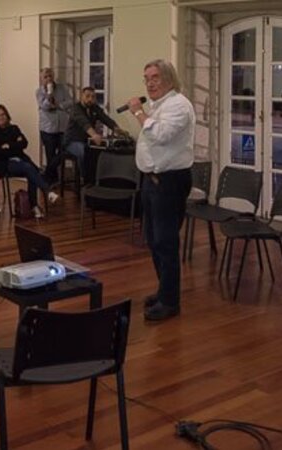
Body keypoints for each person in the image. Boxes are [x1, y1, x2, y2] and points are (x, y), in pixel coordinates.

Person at [123, 59, 195, 321]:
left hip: (169, 182)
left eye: (154, 77)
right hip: (151, 180)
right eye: (146, 78)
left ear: (169, 79)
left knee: (166, 241)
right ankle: (164, 290)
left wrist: (138, 113)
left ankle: (170, 301)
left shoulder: (178, 105)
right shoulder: (158, 105)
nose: (149, 83)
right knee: (153, 240)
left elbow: (161, 135)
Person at [0, 105, 58, 219]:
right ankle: (47, 192)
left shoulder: (14, 128)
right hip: (5, 163)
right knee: (29, 168)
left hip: (21, 160)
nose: (1, 117)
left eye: (3, 114)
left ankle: (34, 206)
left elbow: (24, 143)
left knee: (32, 171)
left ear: (7, 116)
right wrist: (15, 146)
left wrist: (8, 145)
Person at [46, 87, 127, 182]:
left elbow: (106, 120)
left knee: (98, 151)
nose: (90, 99)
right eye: (87, 96)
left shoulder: (95, 108)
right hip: (72, 141)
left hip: (86, 141)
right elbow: (84, 123)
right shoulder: (76, 108)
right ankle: (84, 178)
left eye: (93, 97)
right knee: (83, 151)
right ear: (81, 96)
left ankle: (97, 178)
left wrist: (120, 131)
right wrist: (94, 135)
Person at [36, 68, 72, 183]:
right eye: (45, 77)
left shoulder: (62, 88)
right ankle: (52, 180)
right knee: (50, 155)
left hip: (62, 128)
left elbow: (70, 102)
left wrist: (59, 105)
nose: (48, 79)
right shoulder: (39, 92)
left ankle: (46, 174)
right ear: (41, 79)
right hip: (48, 128)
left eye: (50, 76)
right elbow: (45, 106)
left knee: (63, 152)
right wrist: (49, 94)